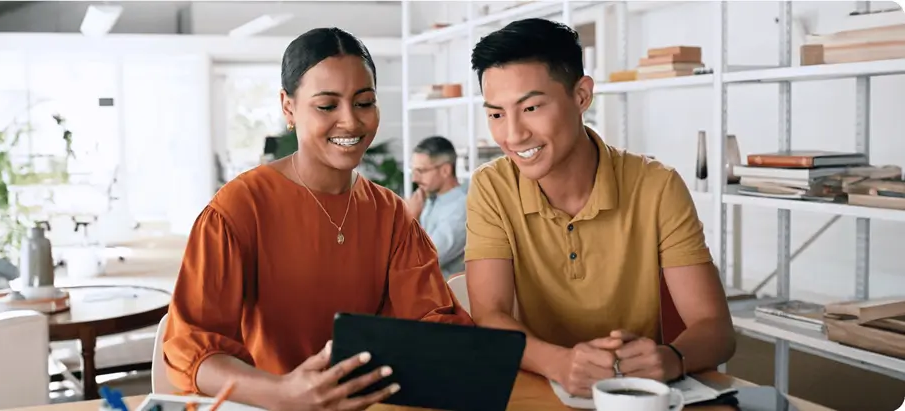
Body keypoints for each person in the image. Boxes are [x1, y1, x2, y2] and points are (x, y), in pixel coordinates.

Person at [162, 27, 472, 410]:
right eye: (327, 106)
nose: (351, 122)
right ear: (288, 108)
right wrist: (284, 393)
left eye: (364, 102)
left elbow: (432, 323)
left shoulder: (389, 213)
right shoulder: (238, 209)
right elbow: (190, 347)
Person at [464, 18, 736, 399]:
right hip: (541, 385)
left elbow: (716, 329)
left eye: (531, 108)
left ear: (581, 96)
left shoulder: (657, 185)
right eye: (496, 114)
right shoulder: (492, 186)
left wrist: (672, 358)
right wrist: (560, 363)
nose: (512, 134)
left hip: (637, 395)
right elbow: (490, 316)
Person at [406, 136, 467, 278]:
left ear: (445, 170)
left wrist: (410, 219)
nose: (415, 179)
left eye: (421, 171)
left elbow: (423, 259)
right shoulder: (428, 198)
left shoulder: (461, 209)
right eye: (413, 171)